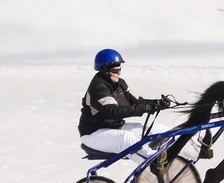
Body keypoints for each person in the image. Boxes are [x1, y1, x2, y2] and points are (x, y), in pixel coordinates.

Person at [78, 48, 211, 169]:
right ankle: (155, 162)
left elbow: (138, 102)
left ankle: (196, 151)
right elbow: (113, 111)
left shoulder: (120, 84)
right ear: (104, 71)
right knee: (126, 138)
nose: (119, 73)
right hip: (94, 134)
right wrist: (144, 108)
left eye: (120, 69)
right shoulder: (98, 88)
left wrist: (157, 103)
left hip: (115, 127)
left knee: (159, 131)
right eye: (115, 70)